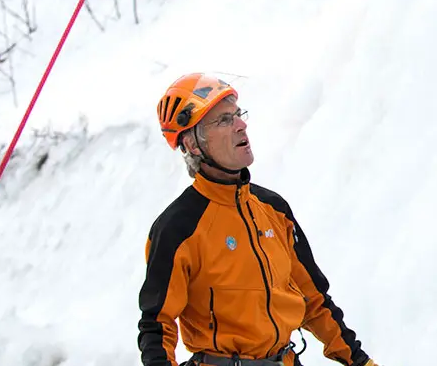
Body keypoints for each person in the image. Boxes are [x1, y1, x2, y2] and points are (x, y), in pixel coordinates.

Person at [138, 73, 378, 366]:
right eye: (224, 120)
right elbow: (156, 325)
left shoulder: (273, 209)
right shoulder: (178, 228)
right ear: (192, 144)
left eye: (237, 114)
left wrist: (361, 362)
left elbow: (314, 301)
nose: (241, 125)